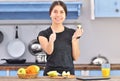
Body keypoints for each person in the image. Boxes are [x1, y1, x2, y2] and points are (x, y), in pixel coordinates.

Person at [38, 0, 83, 76]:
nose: (58, 15)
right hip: (50, 75)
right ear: (50, 14)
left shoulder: (72, 33)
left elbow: (76, 57)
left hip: (69, 74)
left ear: (65, 15)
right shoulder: (43, 34)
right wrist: (51, 41)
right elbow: (49, 51)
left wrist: (74, 40)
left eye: (61, 12)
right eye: (55, 12)